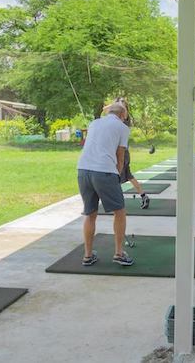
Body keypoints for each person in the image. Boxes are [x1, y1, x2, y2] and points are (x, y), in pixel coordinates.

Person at [77, 103, 134, 266]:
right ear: (122, 114)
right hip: (104, 171)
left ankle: (87, 255)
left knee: (90, 213)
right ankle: (119, 253)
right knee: (120, 212)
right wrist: (118, 173)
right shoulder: (123, 128)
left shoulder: (94, 123)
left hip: (83, 170)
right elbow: (120, 154)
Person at [105, 97, 150, 210]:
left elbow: (108, 110)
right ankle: (144, 196)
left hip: (122, 153)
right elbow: (105, 110)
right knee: (128, 176)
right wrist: (114, 104)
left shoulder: (124, 118)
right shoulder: (118, 117)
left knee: (118, 177)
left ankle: (116, 200)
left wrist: (116, 104)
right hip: (120, 152)